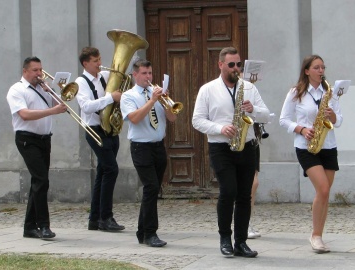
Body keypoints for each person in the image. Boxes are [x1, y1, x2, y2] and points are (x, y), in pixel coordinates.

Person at [192, 47, 270, 257]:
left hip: (247, 145)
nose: (236, 69)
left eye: (238, 65)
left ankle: (241, 242)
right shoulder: (207, 89)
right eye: (231, 65)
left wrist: (253, 109)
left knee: (245, 195)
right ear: (220, 65)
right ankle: (225, 238)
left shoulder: (249, 88)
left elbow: (267, 115)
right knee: (228, 191)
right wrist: (220, 128)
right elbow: (197, 120)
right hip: (221, 147)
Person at [279, 55, 343, 253]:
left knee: (324, 193)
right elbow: (284, 119)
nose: (321, 70)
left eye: (323, 67)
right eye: (316, 67)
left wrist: (332, 115)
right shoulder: (296, 92)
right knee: (323, 188)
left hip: (329, 145)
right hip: (306, 146)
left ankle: (319, 235)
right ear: (307, 71)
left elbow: (339, 120)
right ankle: (315, 235)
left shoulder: (330, 93)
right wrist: (301, 129)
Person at [6, 56, 68, 239]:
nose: (39, 74)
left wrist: (57, 91)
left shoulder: (42, 88)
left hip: (44, 139)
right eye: (35, 70)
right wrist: (51, 111)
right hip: (27, 139)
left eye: (40, 70)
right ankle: (43, 225)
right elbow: (24, 114)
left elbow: (60, 105)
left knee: (38, 181)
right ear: (25, 71)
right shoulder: (17, 90)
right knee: (42, 180)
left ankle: (29, 227)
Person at [120, 59, 177, 247]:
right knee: (151, 187)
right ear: (135, 75)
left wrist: (165, 102)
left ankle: (142, 232)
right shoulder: (128, 96)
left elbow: (173, 117)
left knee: (152, 190)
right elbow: (134, 118)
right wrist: (152, 101)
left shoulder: (157, 94)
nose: (148, 77)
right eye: (144, 73)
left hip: (158, 146)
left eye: (150, 73)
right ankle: (151, 233)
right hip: (141, 147)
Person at [75, 47, 125, 232]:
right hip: (94, 129)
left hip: (110, 128)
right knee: (111, 169)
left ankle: (94, 219)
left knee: (103, 172)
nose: (99, 63)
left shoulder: (104, 76)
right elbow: (87, 107)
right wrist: (111, 97)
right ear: (85, 63)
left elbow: (122, 75)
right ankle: (106, 217)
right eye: (95, 60)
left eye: (99, 59)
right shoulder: (80, 82)